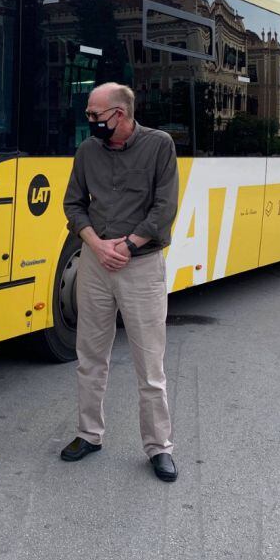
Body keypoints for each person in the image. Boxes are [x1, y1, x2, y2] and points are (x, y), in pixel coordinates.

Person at [60, 83, 180, 482]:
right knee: (90, 356)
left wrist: (127, 245)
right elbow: (73, 204)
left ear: (121, 115)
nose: (90, 122)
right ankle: (88, 434)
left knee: (150, 365)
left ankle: (159, 447)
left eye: (96, 116)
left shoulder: (160, 146)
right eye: (89, 115)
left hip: (141, 265)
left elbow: (164, 208)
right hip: (95, 263)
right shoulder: (87, 151)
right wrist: (95, 243)